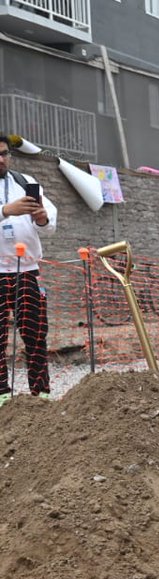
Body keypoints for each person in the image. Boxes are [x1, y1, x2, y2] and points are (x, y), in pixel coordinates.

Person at [0, 134, 56, 403]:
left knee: (35, 334)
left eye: (4, 153)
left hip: (27, 271)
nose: (1, 159)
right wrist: (5, 210)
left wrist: (43, 218)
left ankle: (41, 392)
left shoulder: (26, 183)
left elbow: (50, 222)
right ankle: (1, 395)